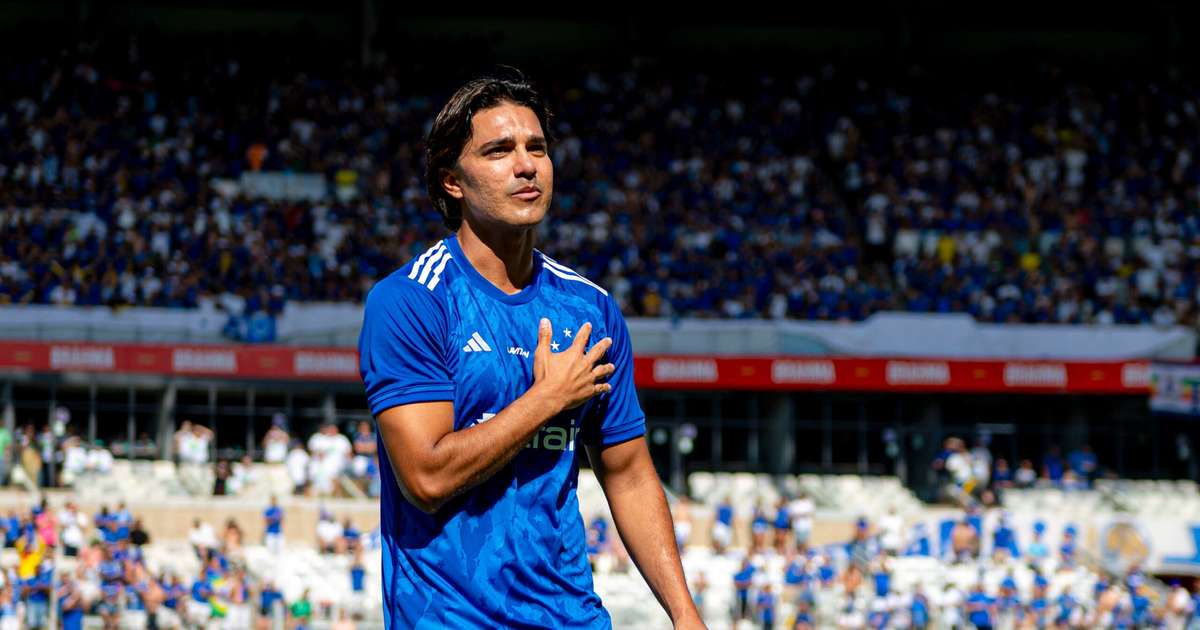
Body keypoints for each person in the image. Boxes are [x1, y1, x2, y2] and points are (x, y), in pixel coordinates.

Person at [358, 71, 702, 629]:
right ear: (452, 181)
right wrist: (546, 400)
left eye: (536, 148)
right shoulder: (412, 301)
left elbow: (629, 473)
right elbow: (425, 479)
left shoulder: (590, 309)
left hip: (571, 616)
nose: (526, 165)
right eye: (498, 150)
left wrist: (684, 613)